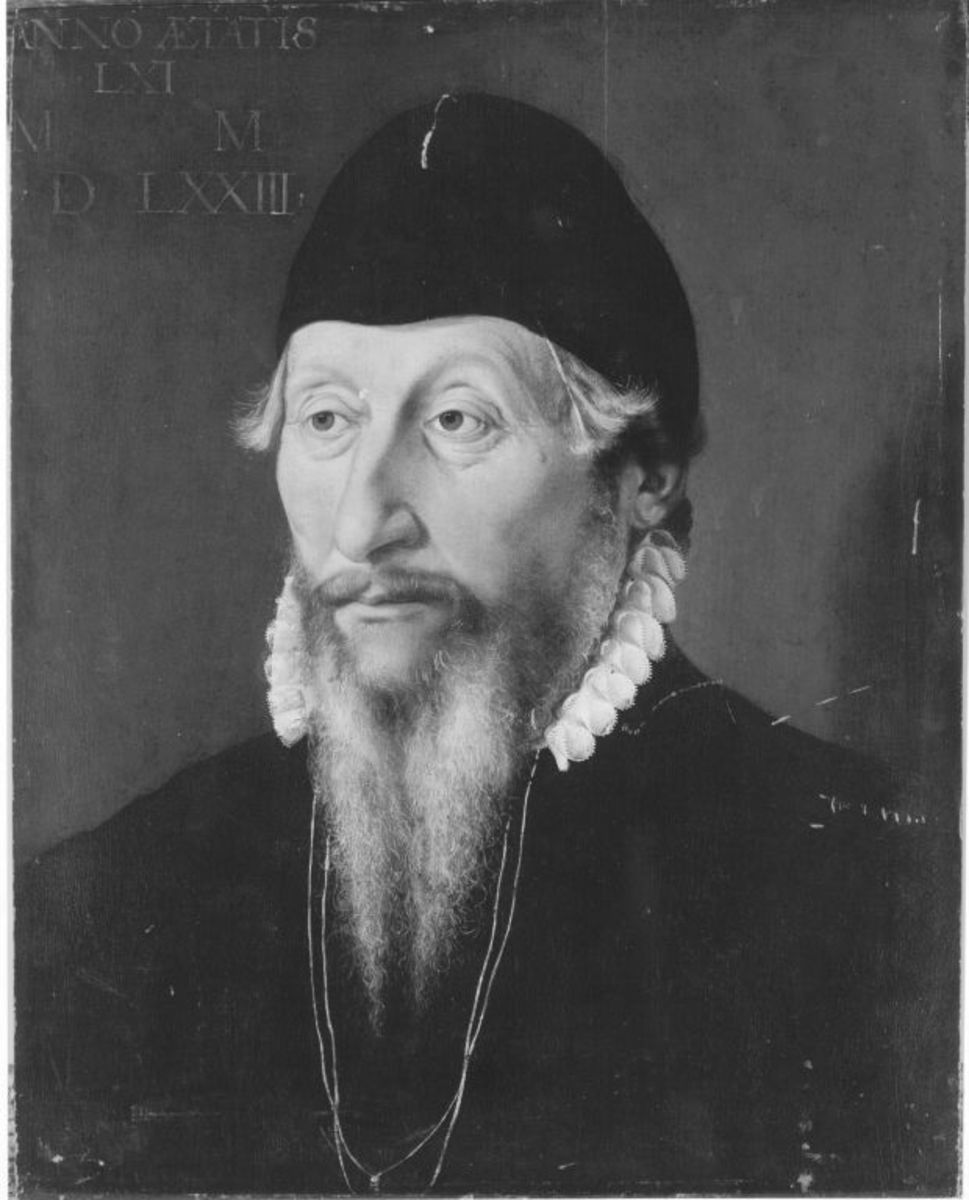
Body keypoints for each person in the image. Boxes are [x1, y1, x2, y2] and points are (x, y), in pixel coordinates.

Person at [14, 93, 958, 1196]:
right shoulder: (96, 913)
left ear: (642, 476)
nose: (364, 521)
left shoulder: (877, 900)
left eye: (457, 420)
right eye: (326, 419)